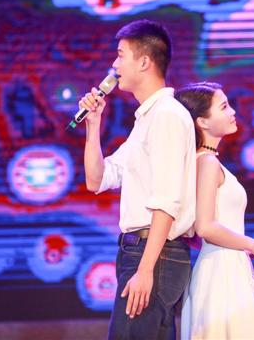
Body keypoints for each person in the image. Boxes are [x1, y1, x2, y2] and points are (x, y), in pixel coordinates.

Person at [79, 20, 196, 340]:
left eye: (120, 55)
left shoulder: (166, 115)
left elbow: (167, 199)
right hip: (142, 253)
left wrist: (145, 269)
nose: (114, 65)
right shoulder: (148, 119)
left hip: (154, 254)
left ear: (144, 62)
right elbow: (97, 180)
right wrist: (93, 125)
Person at [176, 82, 254, 339]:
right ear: (202, 121)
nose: (233, 111)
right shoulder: (207, 163)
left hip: (226, 266)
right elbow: (205, 227)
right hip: (221, 271)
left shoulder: (204, 162)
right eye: (224, 107)